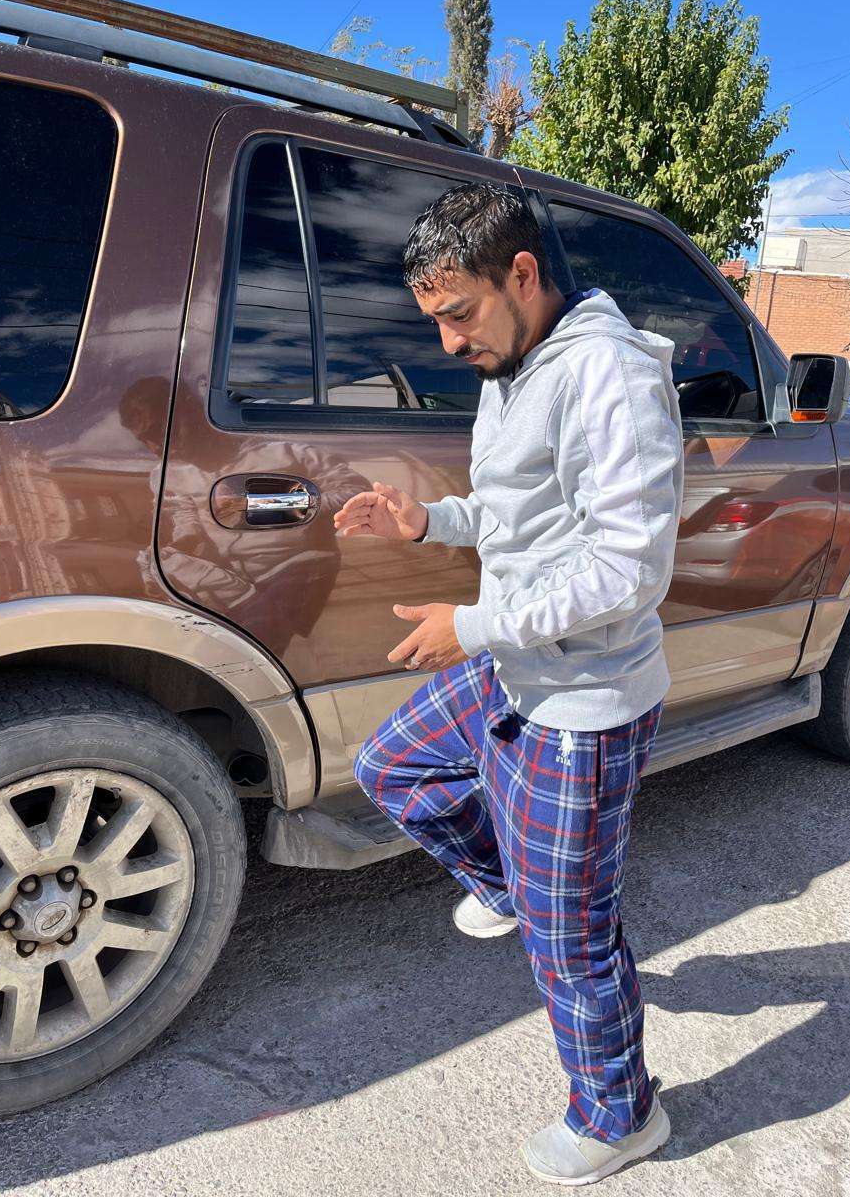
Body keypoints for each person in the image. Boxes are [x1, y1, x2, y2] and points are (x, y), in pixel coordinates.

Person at [334, 183, 684, 1186]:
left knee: (573, 945)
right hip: (515, 662)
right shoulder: (513, 363)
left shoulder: (609, 375)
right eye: (434, 320)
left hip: (583, 701)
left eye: (459, 313)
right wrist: (426, 524)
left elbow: (629, 569)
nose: (448, 341)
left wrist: (473, 626)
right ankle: (513, 887)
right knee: (391, 765)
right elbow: (515, 512)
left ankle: (621, 1115)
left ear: (522, 274)